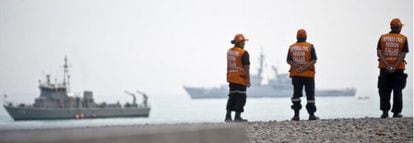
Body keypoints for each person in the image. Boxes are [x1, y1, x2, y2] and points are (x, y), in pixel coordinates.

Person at [377, 18, 409, 118]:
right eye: (400, 27)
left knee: (384, 90)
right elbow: (403, 54)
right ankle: (396, 113)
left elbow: (379, 53)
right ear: (398, 27)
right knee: (397, 90)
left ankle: (385, 112)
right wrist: (394, 66)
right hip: (398, 69)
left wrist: (387, 65)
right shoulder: (403, 38)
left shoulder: (383, 37)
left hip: (384, 69)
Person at [287, 29, 319, 121]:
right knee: (310, 95)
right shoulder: (310, 46)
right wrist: (304, 67)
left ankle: (296, 115)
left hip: (296, 75)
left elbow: (288, 60)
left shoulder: (292, 47)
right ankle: (311, 115)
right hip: (308, 75)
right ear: (306, 36)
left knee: (296, 95)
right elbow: (314, 60)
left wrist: (298, 67)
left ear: (297, 37)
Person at [225, 34, 250, 122]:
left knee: (232, 96)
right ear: (239, 42)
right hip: (240, 78)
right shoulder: (244, 53)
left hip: (231, 78)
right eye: (243, 42)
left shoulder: (229, 51)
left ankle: (228, 116)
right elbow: (246, 67)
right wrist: (248, 80)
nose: (244, 44)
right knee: (241, 97)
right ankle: (237, 117)